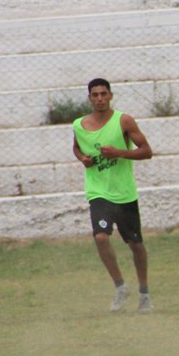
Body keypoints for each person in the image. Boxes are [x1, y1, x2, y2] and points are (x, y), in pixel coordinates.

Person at [72, 78, 154, 312]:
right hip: (98, 193)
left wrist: (119, 152)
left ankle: (144, 293)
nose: (99, 98)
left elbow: (147, 152)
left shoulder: (123, 121)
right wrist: (82, 159)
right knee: (100, 237)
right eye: (95, 94)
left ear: (110, 96)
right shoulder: (79, 125)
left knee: (136, 244)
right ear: (89, 98)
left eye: (103, 94)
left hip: (124, 193)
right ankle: (120, 285)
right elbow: (76, 146)